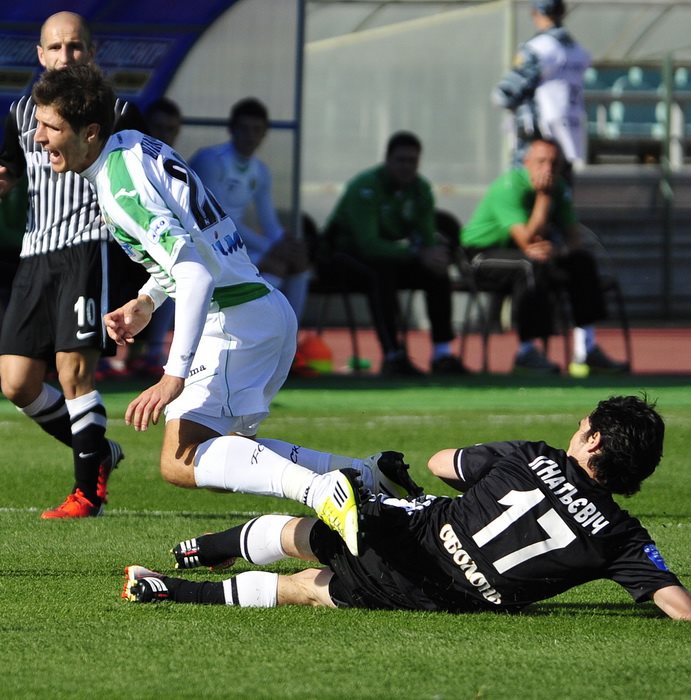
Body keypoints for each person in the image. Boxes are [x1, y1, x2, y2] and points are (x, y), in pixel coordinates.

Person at [31, 63, 430, 555]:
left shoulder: (118, 188)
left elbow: (196, 274)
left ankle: (323, 491)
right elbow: (193, 249)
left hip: (234, 323)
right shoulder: (133, 145)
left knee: (181, 460)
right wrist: (148, 300)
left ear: (89, 132)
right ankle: (364, 474)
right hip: (261, 311)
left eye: (50, 127)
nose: (38, 137)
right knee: (222, 459)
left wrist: (173, 375)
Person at [122, 395, 691, 622]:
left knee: (311, 531)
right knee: (308, 588)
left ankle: (204, 548)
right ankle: (168, 588)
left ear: (593, 440)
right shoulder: (622, 536)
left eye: (582, 425)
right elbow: (675, 603)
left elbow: (443, 463)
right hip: (440, 598)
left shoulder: (533, 457)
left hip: (411, 537)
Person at [0, 11, 129, 519]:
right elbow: (10, 168)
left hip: (86, 246)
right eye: (55, 48)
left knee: (73, 371)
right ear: (40, 54)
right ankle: (98, 451)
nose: (65, 56)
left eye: (74, 47)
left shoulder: (118, 110)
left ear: (91, 53)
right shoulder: (20, 113)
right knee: (16, 382)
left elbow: (142, 168)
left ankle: (86, 495)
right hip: (35, 253)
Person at [461, 137, 628, 375]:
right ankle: (526, 352)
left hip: (524, 255)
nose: (547, 169)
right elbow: (527, 241)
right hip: (481, 256)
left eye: (553, 163)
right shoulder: (509, 187)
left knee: (581, 261)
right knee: (529, 264)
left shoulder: (559, 188)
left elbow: (574, 240)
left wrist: (558, 251)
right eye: (541, 162)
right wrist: (543, 197)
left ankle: (586, 349)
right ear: (526, 163)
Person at [323, 131, 467, 377]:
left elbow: (427, 236)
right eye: (401, 160)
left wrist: (434, 256)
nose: (406, 166)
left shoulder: (421, 189)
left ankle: (442, 354)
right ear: (387, 159)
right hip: (343, 257)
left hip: (392, 257)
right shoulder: (365, 187)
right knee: (379, 274)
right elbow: (368, 245)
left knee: (436, 274)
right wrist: (418, 252)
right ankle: (393, 355)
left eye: (412, 161)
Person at [189, 98, 310, 323]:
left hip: (232, 245)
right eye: (244, 129)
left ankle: (289, 335)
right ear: (231, 129)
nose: (250, 136)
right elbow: (218, 221)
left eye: (256, 130)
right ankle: (253, 334)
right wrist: (270, 249)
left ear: (264, 134)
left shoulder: (260, 171)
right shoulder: (210, 160)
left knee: (299, 263)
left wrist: (286, 243)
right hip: (200, 243)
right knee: (274, 266)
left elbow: (269, 223)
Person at [493, 0, 591, 174]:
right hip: (570, 129)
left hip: (539, 134)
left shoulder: (540, 48)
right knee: (561, 183)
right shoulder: (577, 49)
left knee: (527, 181)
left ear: (538, 13)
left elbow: (505, 94)